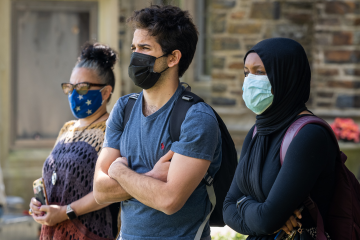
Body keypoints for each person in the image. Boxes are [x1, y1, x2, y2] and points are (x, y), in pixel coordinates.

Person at [93, 5, 221, 240]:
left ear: (173, 58)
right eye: (134, 48)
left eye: (145, 48)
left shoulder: (196, 118)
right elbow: (100, 190)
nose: (135, 56)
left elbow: (168, 200)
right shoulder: (124, 108)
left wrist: (119, 171)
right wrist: (152, 177)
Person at [223, 38, 336, 240]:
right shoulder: (258, 131)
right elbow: (228, 208)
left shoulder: (309, 135)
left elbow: (266, 220)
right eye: (246, 72)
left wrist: (244, 204)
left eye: (260, 72)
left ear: (286, 76)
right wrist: (256, 212)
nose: (250, 80)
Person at [29, 43, 120, 240]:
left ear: (105, 93)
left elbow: (113, 190)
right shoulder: (66, 129)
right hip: (53, 232)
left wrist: (65, 212)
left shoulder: (112, 131)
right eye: (70, 87)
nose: (74, 94)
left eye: (83, 87)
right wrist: (37, 204)